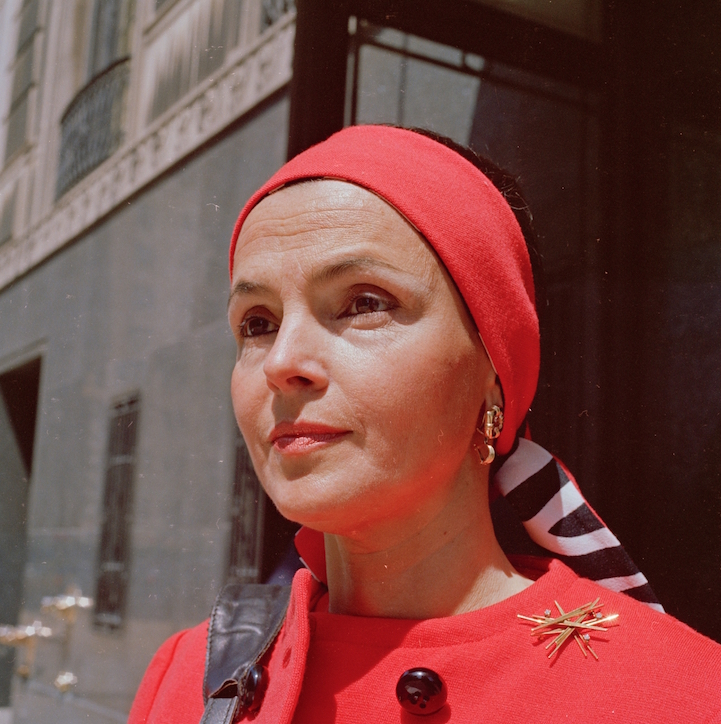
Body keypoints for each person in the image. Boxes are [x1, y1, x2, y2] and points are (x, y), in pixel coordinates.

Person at [128, 125, 721, 724]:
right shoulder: (184, 681)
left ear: (494, 370)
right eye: (257, 323)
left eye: (364, 303)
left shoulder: (683, 696)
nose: (282, 363)